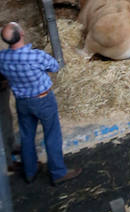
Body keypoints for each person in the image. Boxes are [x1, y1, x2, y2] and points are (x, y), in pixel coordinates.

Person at [0, 23, 77, 186]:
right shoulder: (35, 56)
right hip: (43, 100)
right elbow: (55, 67)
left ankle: (30, 172)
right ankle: (58, 172)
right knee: (52, 135)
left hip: (22, 102)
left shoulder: (2, 57)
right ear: (22, 34)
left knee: (27, 137)